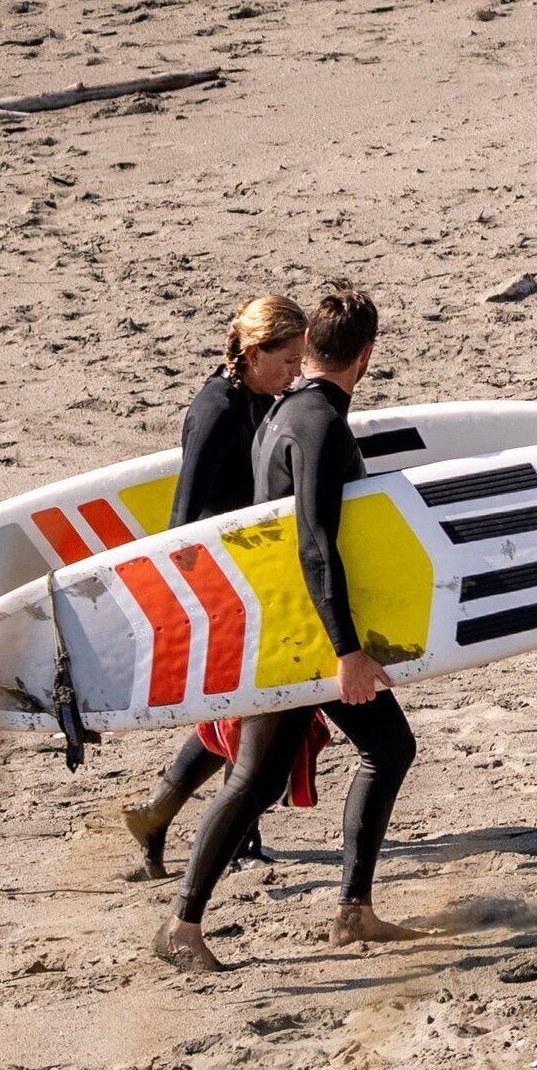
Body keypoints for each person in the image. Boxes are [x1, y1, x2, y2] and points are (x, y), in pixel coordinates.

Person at [157, 283, 421, 973]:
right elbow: (314, 543)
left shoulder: (283, 412)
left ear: (308, 347)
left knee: (370, 751)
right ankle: (183, 927)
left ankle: (353, 913)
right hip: (300, 634)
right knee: (263, 778)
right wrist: (347, 652)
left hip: (286, 622)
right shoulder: (320, 425)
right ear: (364, 357)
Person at [122, 293, 311, 879]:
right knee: (254, 706)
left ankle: (167, 815)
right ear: (253, 355)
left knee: (252, 708)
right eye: (288, 360)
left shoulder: (256, 399)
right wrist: (198, 597)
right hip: (221, 580)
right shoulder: (218, 411)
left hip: (251, 571)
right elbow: (184, 513)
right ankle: (207, 825)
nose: (296, 373)